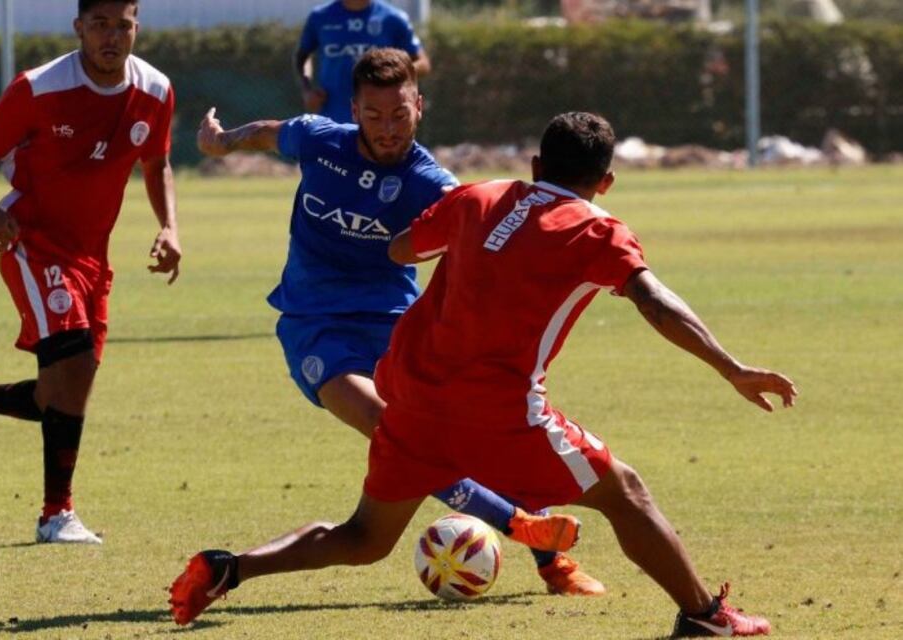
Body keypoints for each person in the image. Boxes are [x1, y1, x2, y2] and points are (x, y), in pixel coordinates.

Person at [169, 111, 798, 636]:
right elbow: (655, 301)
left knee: (363, 538)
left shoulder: (480, 196)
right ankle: (705, 617)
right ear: (605, 182)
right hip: (501, 416)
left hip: (412, 405)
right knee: (625, 493)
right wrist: (732, 368)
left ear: (536, 165)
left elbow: (402, 249)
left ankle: (231, 568)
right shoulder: (599, 232)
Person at [197, 48, 600, 595]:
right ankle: (520, 525)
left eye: (399, 114)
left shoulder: (431, 183)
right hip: (317, 326)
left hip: (399, 327)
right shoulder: (319, 140)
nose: (387, 128)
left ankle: (553, 565)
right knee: (390, 427)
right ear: (354, 110)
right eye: (374, 115)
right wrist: (222, 141)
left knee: (476, 427)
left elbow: (486, 232)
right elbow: (268, 133)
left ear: (419, 106)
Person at [0, 0, 181, 544]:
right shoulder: (38, 88)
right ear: (78, 29)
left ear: (137, 28)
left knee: (60, 393)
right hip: (32, 241)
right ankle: (55, 515)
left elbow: (156, 163)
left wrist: (170, 226)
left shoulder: (156, 91)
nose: (111, 37)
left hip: (93, 257)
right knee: (72, 364)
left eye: (122, 26)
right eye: (99, 25)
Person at [294, 0, 431, 124]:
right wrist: (307, 90)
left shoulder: (393, 18)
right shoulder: (320, 17)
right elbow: (303, 57)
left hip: (381, 121)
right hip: (332, 119)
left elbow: (423, 63)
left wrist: (392, 74)